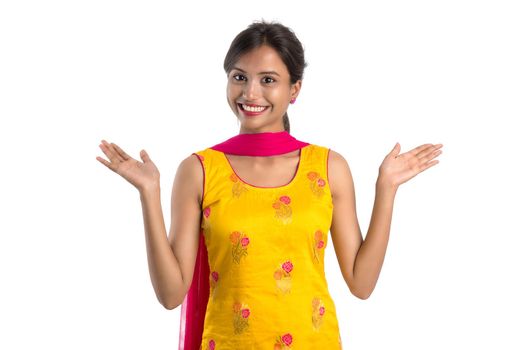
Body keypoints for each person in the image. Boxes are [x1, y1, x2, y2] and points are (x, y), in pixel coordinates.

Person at [96, 20, 443, 350]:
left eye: (268, 80)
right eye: (239, 77)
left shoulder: (328, 168)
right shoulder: (200, 170)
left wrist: (387, 188)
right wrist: (149, 192)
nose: (250, 92)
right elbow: (171, 295)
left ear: (294, 89)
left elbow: (361, 283)